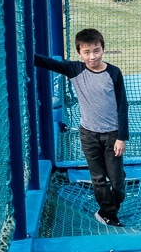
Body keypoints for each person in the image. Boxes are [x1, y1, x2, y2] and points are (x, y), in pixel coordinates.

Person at [34, 28, 129, 227]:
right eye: (87, 52)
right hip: (89, 135)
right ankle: (108, 215)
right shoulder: (75, 69)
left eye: (96, 50)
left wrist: (122, 137)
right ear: (79, 53)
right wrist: (21, 50)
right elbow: (46, 62)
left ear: (103, 49)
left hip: (112, 136)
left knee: (118, 184)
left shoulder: (113, 73)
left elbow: (122, 105)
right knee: (98, 179)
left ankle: (109, 205)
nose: (92, 56)